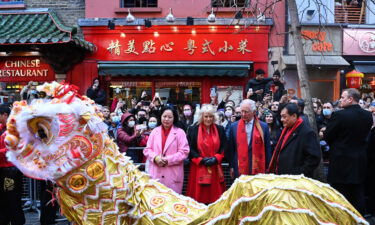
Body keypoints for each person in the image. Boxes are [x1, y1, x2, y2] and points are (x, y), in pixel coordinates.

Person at [324, 88, 373, 215]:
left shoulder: (339, 115)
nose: (340, 99)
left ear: (350, 99)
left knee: (339, 196)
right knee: (357, 194)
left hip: (341, 162)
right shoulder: (368, 116)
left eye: (342, 97)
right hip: (359, 161)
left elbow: (328, 136)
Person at [143, 107, 190, 193]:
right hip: (156, 173)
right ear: (160, 117)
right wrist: (155, 158)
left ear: (174, 118)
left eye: (169, 117)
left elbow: (184, 152)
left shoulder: (180, 133)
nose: (166, 119)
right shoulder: (154, 132)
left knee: (172, 202)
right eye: (164, 116)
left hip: (173, 174)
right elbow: (147, 150)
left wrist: (168, 159)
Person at [186, 104, 227, 203]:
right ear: (201, 117)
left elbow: (224, 147)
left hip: (215, 166)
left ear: (214, 117)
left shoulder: (220, 129)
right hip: (198, 166)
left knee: (215, 198)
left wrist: (216, 158)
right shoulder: (193, 129)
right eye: (206, 116)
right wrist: (201, 160)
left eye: (211, 116)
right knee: (199, 197)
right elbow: (190, 148)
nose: (208, 119)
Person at [268, 103, 321, 177]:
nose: (281, 119)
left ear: (294, 116)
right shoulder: (286, 129)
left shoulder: (307, 132)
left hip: (296, 179)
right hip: (283, 176)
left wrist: (299, 173)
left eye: (284, 117)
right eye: (281, 117)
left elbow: (314, 158)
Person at [227, 99, 271, 178]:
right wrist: (231, 166)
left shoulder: (263, 127)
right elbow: (231, 149)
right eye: (242, 111)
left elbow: (267, 148)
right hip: (239, 166)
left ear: (254, 112)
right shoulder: (234, 126)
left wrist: (268, 167)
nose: (243, 114)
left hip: (257, 165)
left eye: (246, 112)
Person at [0, 104, 25, 225]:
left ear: (5, 115)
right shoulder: (2, 128)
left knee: (12, 198)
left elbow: (13, 149)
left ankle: (17, 221)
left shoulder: (13, 130)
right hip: (3, 168)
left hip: (11, 170)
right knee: (4, 198)